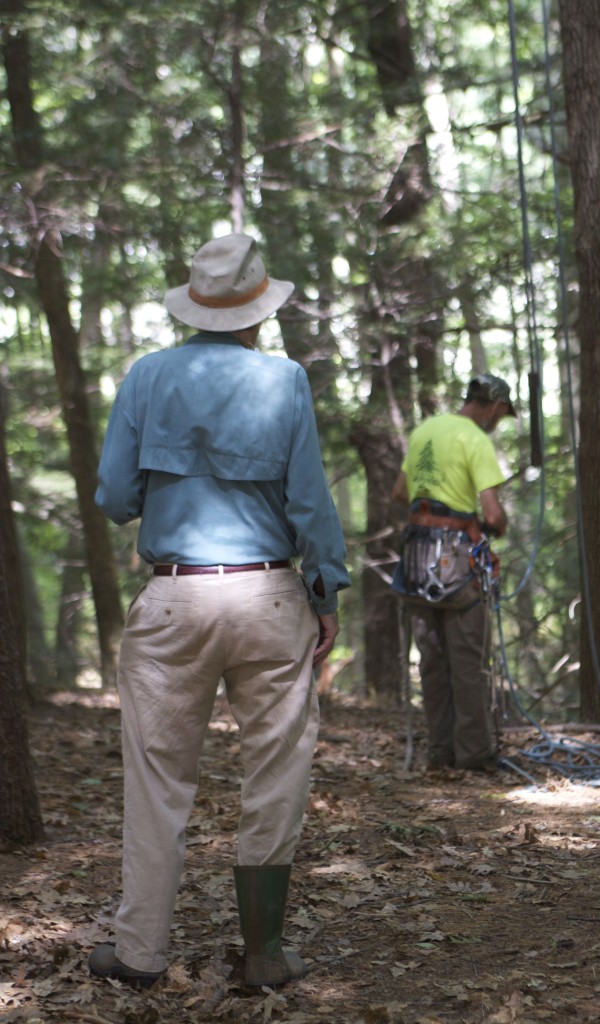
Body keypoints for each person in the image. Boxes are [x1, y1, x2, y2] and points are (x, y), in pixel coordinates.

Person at [88, 233, 351, 989]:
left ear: (194, 305)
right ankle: (264, 954)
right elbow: (309, 500)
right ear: (258, 309)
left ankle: (139, 954)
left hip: (174, 597)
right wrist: (326, 590)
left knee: (157, 780)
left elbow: (112, 498)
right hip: (269, 596)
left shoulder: (146, 375)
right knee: (275, 775)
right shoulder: (286, 380)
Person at [391, 374, 514, 772]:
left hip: (415, 558)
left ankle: (440, 752)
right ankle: (474, 754)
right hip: (457, 564)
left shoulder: (425, 429)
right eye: (502, 413)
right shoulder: (476, 438)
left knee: (432, 661)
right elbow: (493, 514)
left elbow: (399, 493)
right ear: (494, 407)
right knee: (467, 660)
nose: (500, 420)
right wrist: (493, 524)